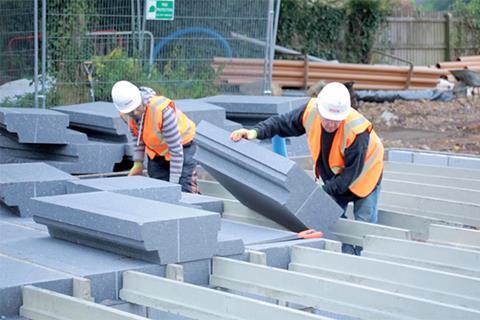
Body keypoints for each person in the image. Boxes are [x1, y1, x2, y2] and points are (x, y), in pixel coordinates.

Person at [230, 82, 383, 254]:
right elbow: (281, 123)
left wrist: (321, 191)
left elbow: (348, 177)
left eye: (336, 121)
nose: (331, 125)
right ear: (320, 109)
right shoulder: (311, 111)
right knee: (329, 215)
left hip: (366, 174)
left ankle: (362, 257)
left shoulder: (357, 132)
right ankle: (345, 253)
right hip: (336, 173)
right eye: (327, 119)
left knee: (363, 224)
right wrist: (255, 132)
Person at [111, 80, 199, 193]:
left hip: (182, 148)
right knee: (158, 191)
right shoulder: (126, 113)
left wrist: (173, 185)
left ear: (140, 99)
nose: (135, 113)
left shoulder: (161, 111)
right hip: (158, 153)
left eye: (137, 108)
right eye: (131, 112)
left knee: (184, 189)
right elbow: (137, 136)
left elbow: (176, 150)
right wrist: (138, 162)